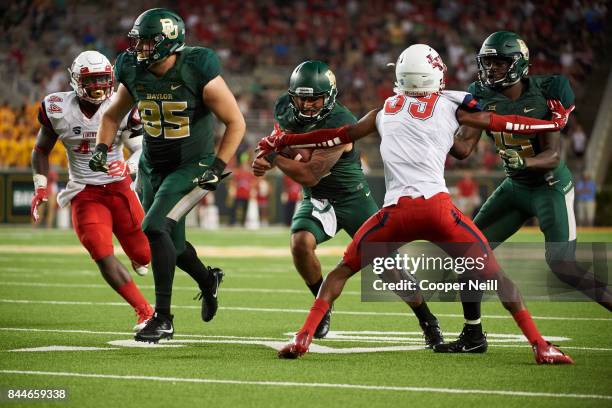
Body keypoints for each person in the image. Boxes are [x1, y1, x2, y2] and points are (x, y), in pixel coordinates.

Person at [262, 44, 574, 364]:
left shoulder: (384, 111)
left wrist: (286, 140)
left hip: (395, 213)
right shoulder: (454, 102)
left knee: (340, 272)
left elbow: (337, 135)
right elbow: (503, 123)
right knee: (497, 277)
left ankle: (303, 338)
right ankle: (539, 344)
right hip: (439, 211)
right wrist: (552, 124)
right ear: (435, 73)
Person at [253, 61, 444, 345]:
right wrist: (279, 152)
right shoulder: (284, 107)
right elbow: (285, 143)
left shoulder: (341, 121)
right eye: (301, 97)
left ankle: (428, 321)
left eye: (314, 98)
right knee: (300, 244)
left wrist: (273, 157)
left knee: (388, 267)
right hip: (318, 199)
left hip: (352, 198)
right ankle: (323, 306)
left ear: (329, 96)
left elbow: (309, 174)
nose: (306, 105)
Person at [445, 31, 612, 354]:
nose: (491, 69)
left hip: (549, 185)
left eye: (499, 62)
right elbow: (464, 148)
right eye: (487, 62)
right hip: (515, 186)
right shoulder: (479, 93)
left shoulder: (546, 92)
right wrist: (428, 129)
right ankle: (473, 335)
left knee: (563, 265)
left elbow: (553, 155)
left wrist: (524, 159)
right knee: (469, 254)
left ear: (519, 64)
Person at [88, 8, 245, 343]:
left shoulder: (197, 68)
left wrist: (217, 166)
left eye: (147, 41)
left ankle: (163, 317)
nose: (139, 48)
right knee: (169, 242)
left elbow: (236, 121)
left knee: (154, 227)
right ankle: (207, 280)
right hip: (152, 166)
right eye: (138, 41)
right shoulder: (132, 69)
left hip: (193, 165)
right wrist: (102, 148)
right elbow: (112, 116)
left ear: (168, 42)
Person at [31, 50, 153, 331]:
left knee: (144, 255)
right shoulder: (56, 107)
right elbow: (41, 150)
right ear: (75, 80)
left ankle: (137, 257)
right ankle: (145, 311)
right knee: (101, 252)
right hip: (84, 191)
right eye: (92, 80)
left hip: (120, 187)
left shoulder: (122, 102)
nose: (98, 86)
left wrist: (129, 168)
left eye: (103, 79)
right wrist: (40, 186)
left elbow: (140, 147)